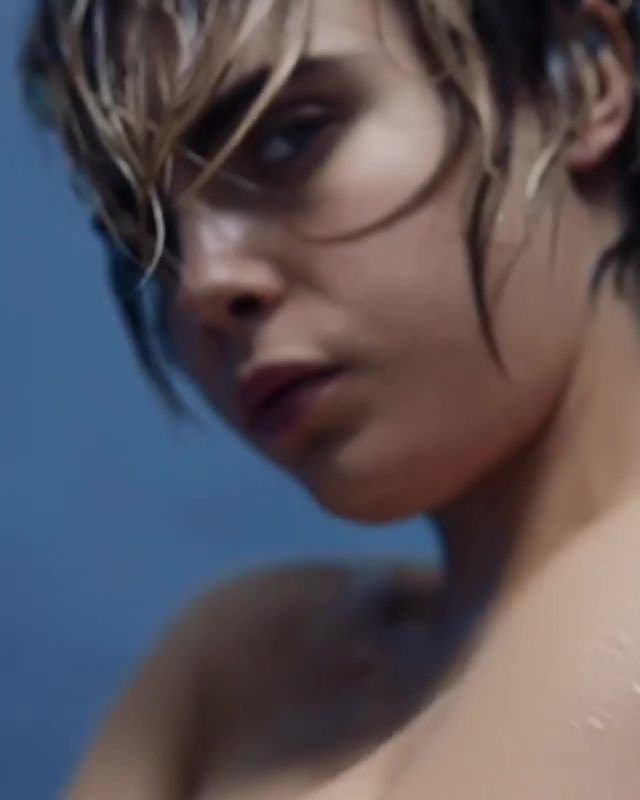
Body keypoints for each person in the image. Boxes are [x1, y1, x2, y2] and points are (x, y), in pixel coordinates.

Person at [19, 0, 640, 796]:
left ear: (577, 81)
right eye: (143, 227)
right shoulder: (232, 670)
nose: (202, 281)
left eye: (291, 137)